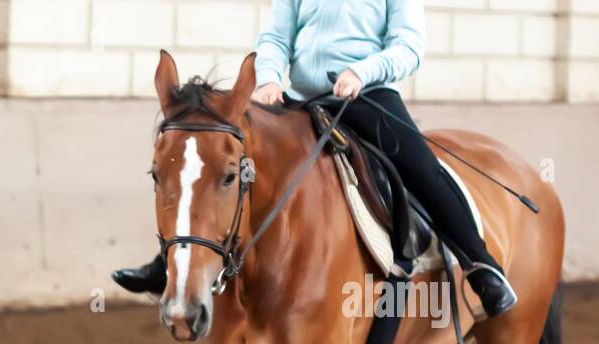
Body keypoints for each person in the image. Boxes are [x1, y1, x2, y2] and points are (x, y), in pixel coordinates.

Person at [112, 0, 518, 317]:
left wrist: (363, 71)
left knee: (421, 168)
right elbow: (276, 37)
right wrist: (270, 77)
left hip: (367, 94)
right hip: (299, 100)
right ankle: (170, 263)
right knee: (221, 161)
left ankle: (482, 268)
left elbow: (409, 46)